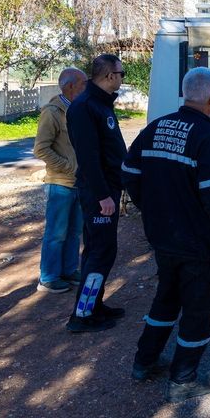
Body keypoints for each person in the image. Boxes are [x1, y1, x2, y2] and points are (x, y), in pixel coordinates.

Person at [122, 67, 210, 402]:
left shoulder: (155, 127)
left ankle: (143, 362)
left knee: (166, 298)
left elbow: (129, 172)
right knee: (199, 310)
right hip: (199, 245)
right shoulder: (209, 137)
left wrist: (152, 208)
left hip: (164, 239)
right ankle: (183, 380)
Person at [65, 54, 128, 333]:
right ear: (109, 76)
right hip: (98, 193)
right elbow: (89, 158)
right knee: (100, 252)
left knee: (100, 250)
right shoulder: (85, 107)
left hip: (108, 189)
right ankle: (82, 315)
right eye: (121, 73)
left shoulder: (101, 104)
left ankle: (94, 305)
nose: (123, 78)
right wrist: (103, 196)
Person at [33, 67, 88, 294]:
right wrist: (70, 167)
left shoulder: (79, 109)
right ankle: (48, 278)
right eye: (84, 84)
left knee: (74, 231)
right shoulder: (53, 112)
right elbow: (41, 149)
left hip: (79, 182)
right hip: (61, 183)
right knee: (56, 233)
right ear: (71, 86)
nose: (87, 88)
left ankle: (68, 270)